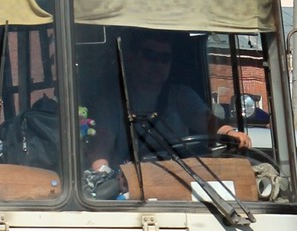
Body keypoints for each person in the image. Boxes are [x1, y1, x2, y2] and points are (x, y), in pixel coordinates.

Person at [87, 31, 251, 176]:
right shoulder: (109, 104)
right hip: (134, 187)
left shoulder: (182, 96)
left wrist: (230, 133)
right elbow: (100, 151)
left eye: (165, 58)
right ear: (131, 58)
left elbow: (205, 120)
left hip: (181, 181)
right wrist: (107, 178)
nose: (158, 64)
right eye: (150, 55)